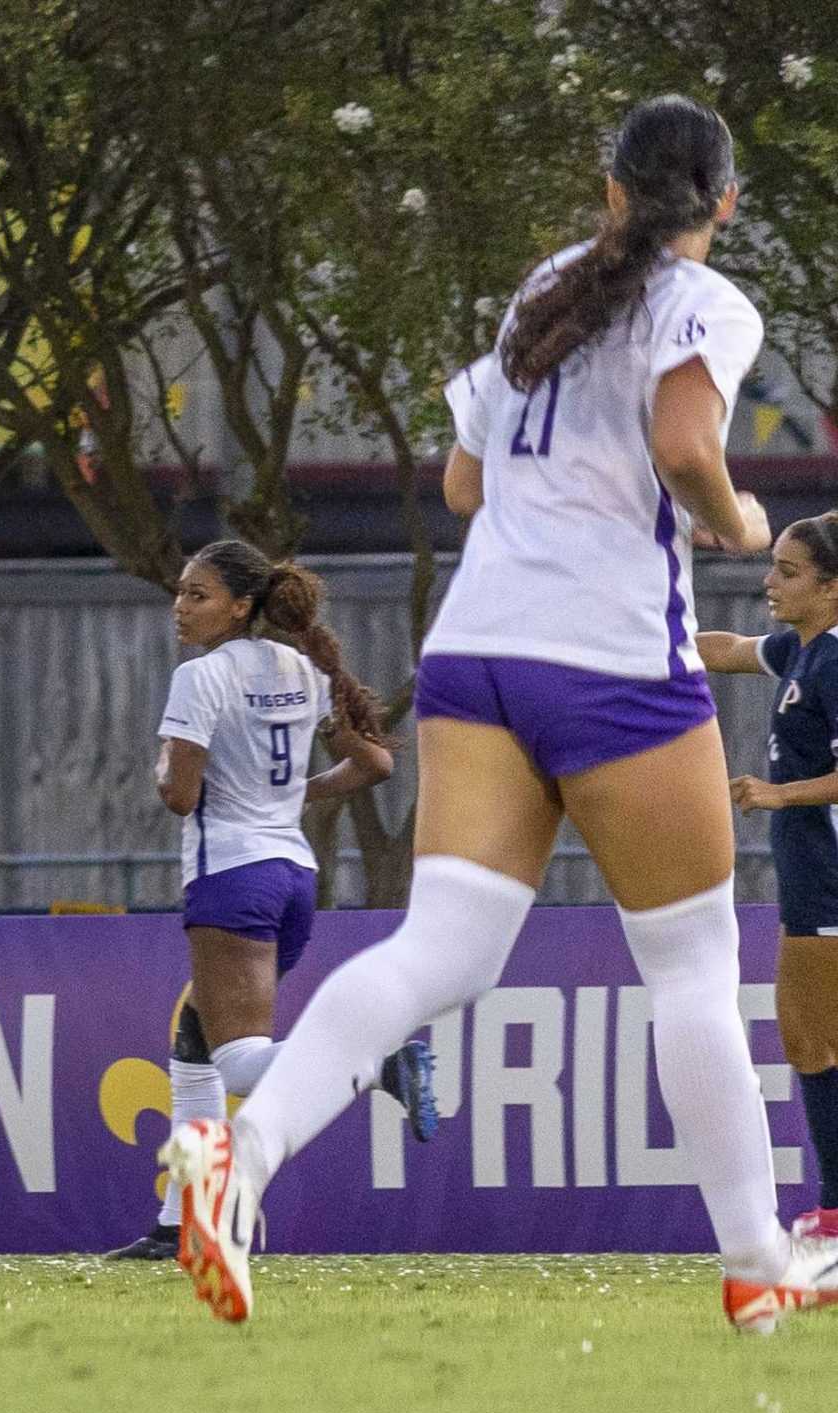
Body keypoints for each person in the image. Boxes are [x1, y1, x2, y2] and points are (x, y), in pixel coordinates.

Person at [169, 94, 838, 1332]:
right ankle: (754, 1260)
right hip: (611, 661)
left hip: (478, 650)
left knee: (444, 952)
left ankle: (241, 1153)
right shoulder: (708, 301)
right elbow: (689, 442)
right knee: (690, 963)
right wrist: (740, 521)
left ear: (611, 194)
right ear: (726, 204)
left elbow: (465, 478)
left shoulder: (548, 288)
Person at [104, 541, 434, 1262]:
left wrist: (165, 754)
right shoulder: (299, 668)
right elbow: (375, 762)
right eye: (181, 592)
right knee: (194, 1047)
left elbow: (179, 794)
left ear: (243, 606)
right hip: (291, 877)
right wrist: (300, 792)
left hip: (232, 877)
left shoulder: (202, 678)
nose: (181, 608)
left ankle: (381, 1066)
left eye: (199, 595)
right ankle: (182, 1223)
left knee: (236, 1062)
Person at [698, 512, 838, 1240]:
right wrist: (636, 644)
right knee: (812, 1039)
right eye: (773, 565)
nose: (769, 580)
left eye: (788, 572)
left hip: (829, 880)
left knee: (813, 1040)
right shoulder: (803, 650)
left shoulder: (836, 660)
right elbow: (723, 649)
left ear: (832, 586)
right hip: (812, 879)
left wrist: (782, 792)